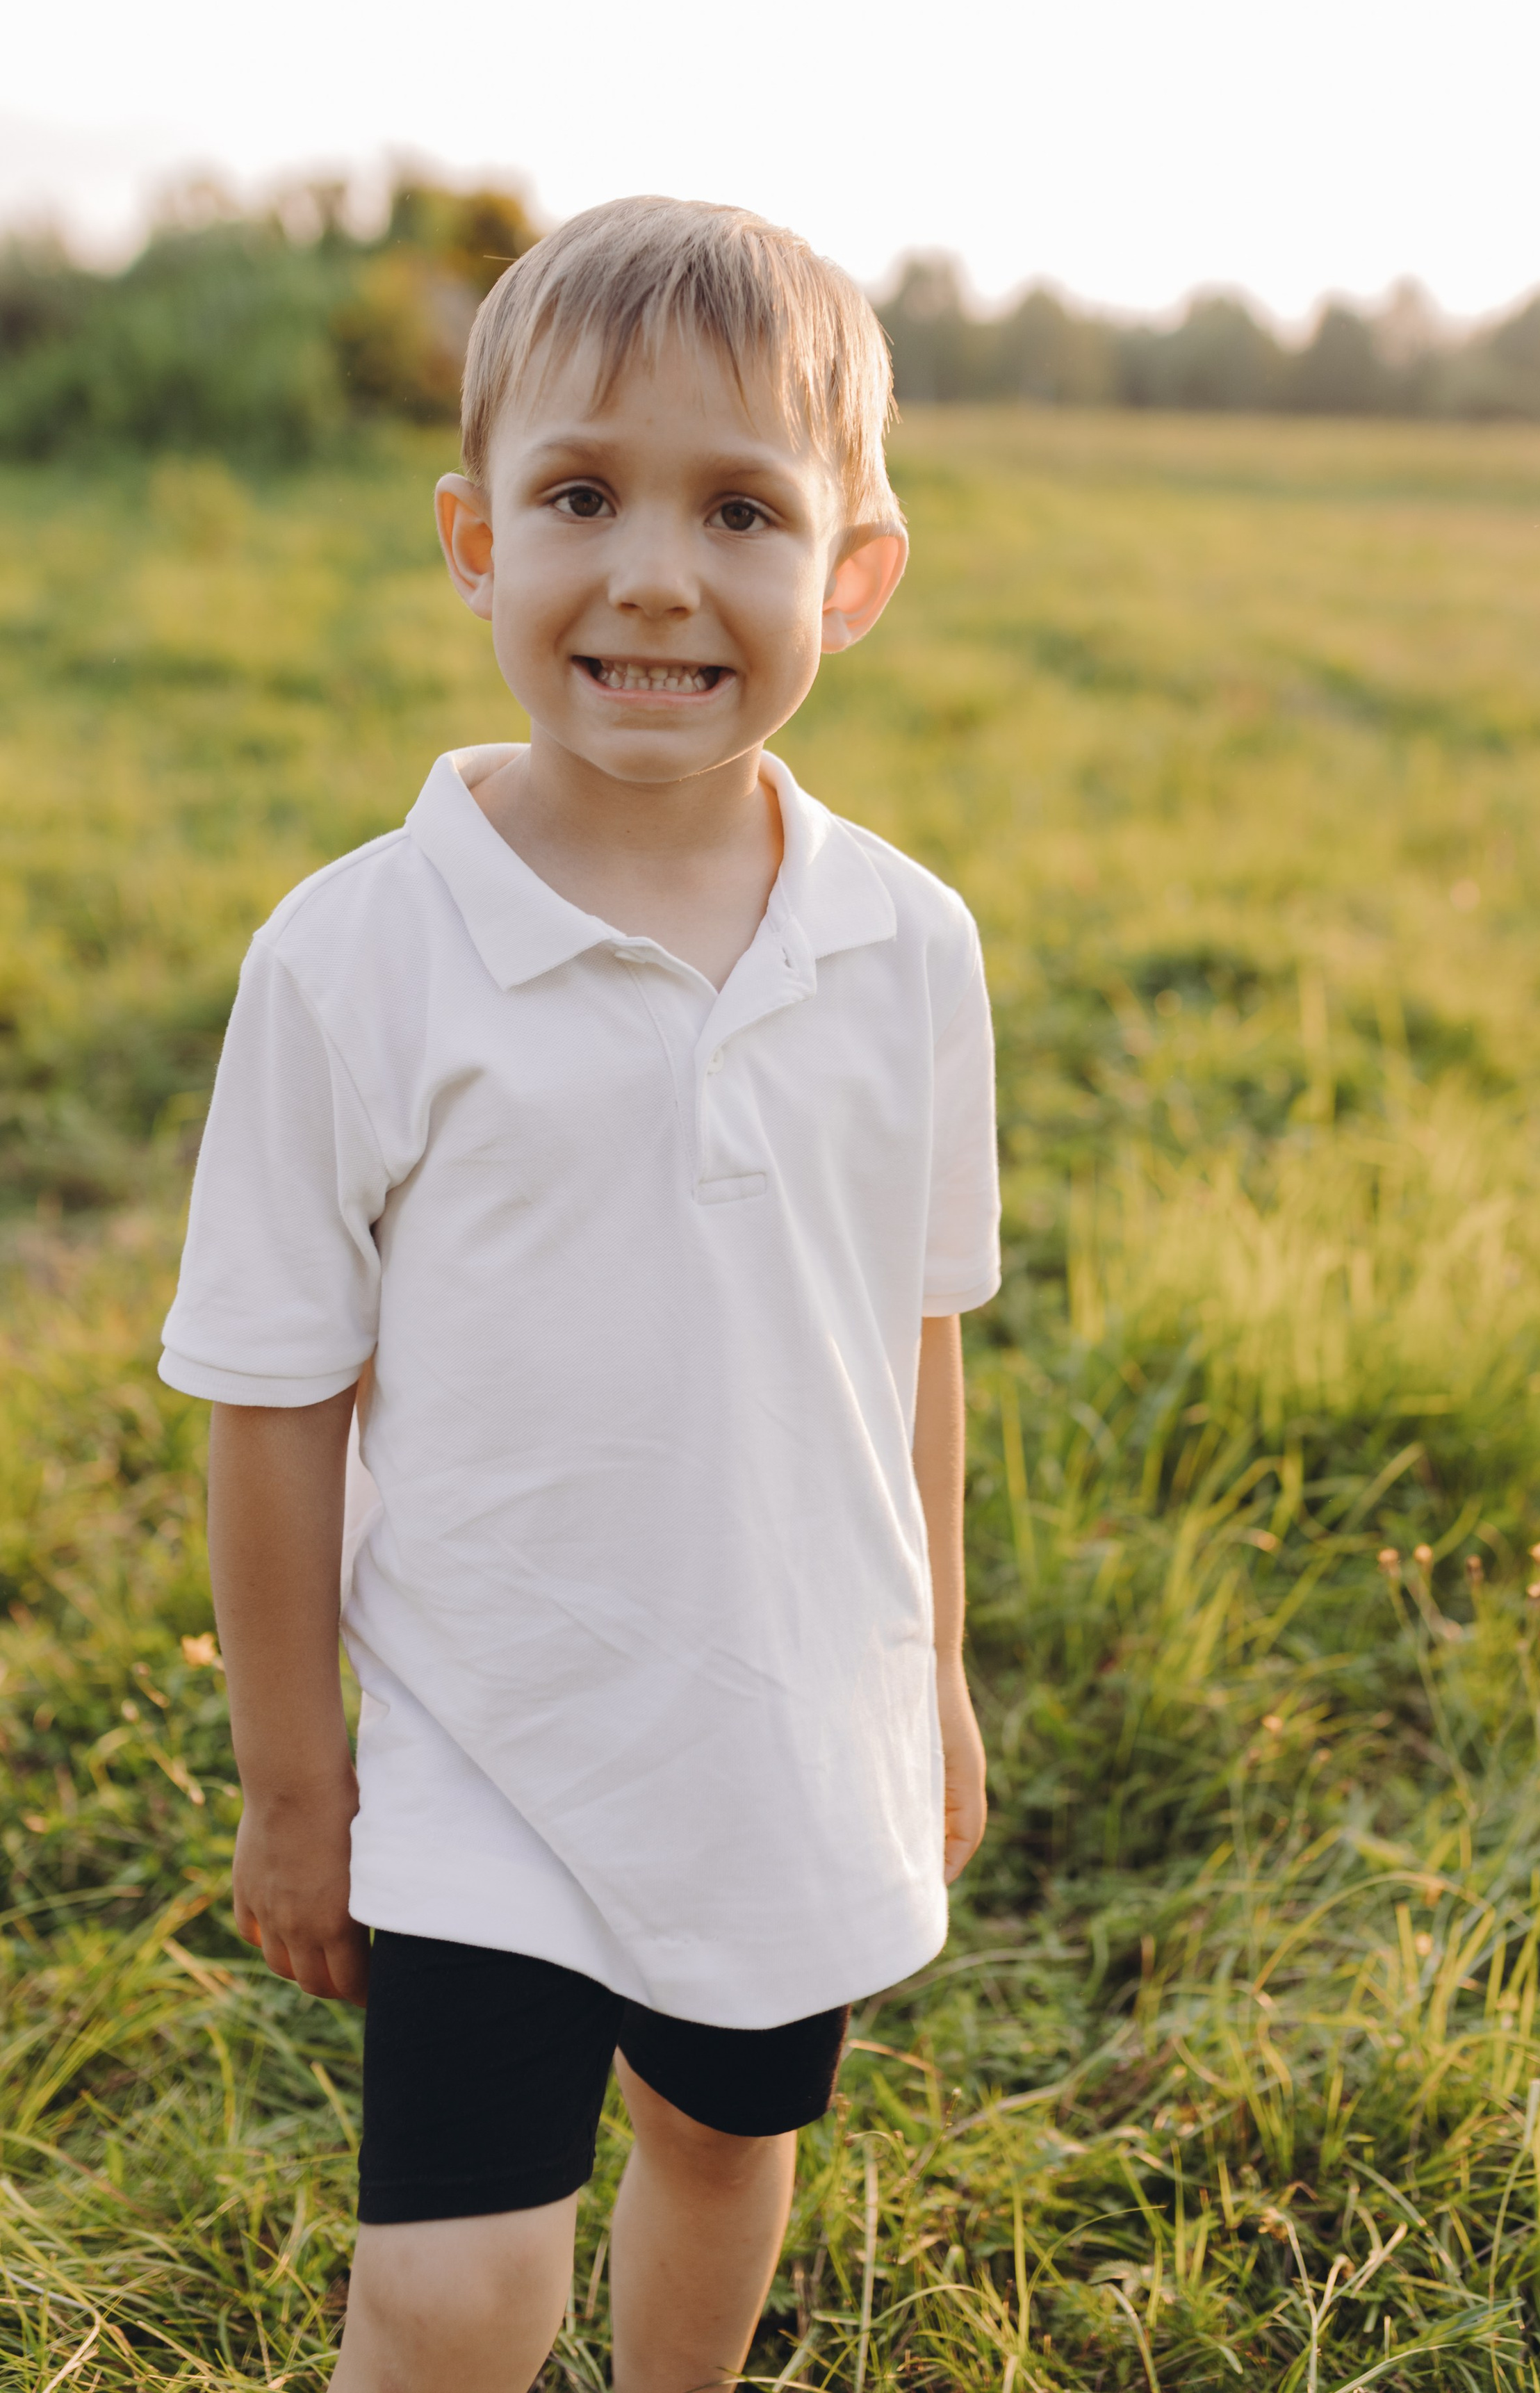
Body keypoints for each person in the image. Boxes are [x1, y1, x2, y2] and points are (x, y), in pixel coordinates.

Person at [158, 197, 1001, 2393]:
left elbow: (910, 1337)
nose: (651, 572)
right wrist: (294, 1781)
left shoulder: (907, 949)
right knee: (455, 2290)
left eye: (740, 510)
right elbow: (272, 1396)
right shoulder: (357, 955)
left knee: (721, 2147)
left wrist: (933, 1673)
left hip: (781, 1711)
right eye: (579, 496)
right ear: (473, 538)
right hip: (485, 1732)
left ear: (854, 574)